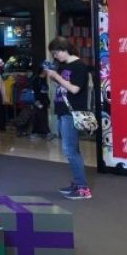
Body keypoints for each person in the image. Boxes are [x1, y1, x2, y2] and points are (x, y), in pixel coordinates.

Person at [46, 36, 92, 200]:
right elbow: (64, 87)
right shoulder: (65, 65)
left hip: (72, 113)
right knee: (72, 149)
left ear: (64, 49)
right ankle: (78, 183)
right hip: (63, 111)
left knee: (70, 150)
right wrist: (54, 77)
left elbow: (74, 89)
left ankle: (82, 188)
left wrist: (57, 77)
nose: (55, 56)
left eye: (55, 53)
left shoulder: (79, 66)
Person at [30, 64, 52, 138]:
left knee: (38, 117)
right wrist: (37, 102)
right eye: (46, 70)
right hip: (38, 101)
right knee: (42, 116)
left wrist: (48, 102)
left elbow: (45, 92)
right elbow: (35, 92)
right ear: (43, 71)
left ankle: (35, 132)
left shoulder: (44, 80)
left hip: (44, 101)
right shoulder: (36, 80)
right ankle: (47, 132)